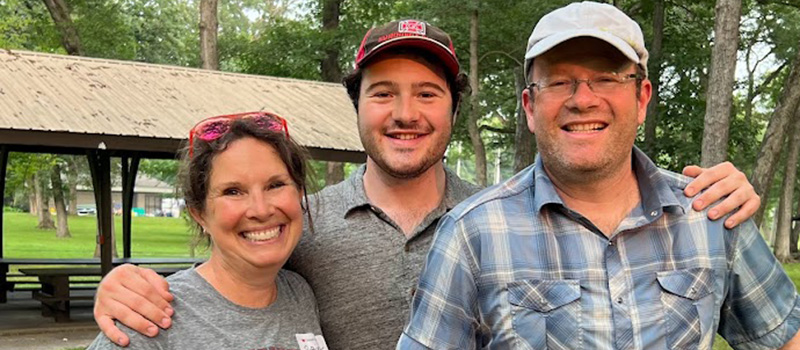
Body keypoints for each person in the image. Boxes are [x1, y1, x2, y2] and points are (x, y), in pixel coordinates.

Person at [92, 20, 762, 349]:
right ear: (355, 106)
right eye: (383, 93)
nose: (405, 113)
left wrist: (721, 193)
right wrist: (132, 284)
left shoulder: (498, 221)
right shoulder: (305, 223)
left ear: (452, 109)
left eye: (427, 93)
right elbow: (230, 277)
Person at [397, 3, 800, 349]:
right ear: (530, 107)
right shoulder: (472, 234)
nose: (583, 99)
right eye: (559, 81)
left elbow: (787, 338)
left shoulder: (711, 214)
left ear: (642, 99)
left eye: (606, 78)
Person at [87, 112, 326, 349]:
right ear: (199, 213)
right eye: (233, 191)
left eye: (275, 185)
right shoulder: (152, 315)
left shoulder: (299, 293)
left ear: (299, 194)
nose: (260, 210)